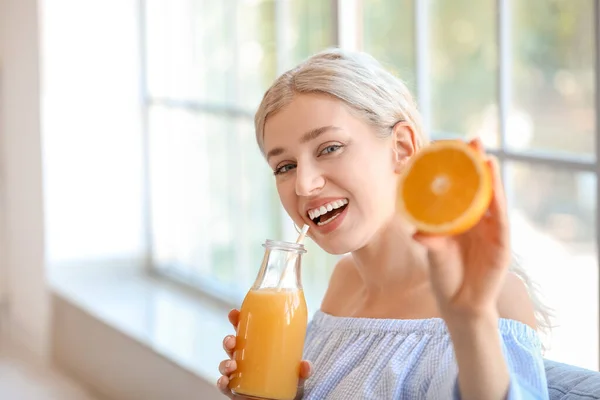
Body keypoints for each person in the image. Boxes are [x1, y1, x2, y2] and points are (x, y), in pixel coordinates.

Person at [217, 48, 551, 399]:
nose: (304, 184)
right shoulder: (344, 283)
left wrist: (471, 320)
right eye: (285, 167)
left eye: (329, 148)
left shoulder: (493, 296)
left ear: (402, 147)